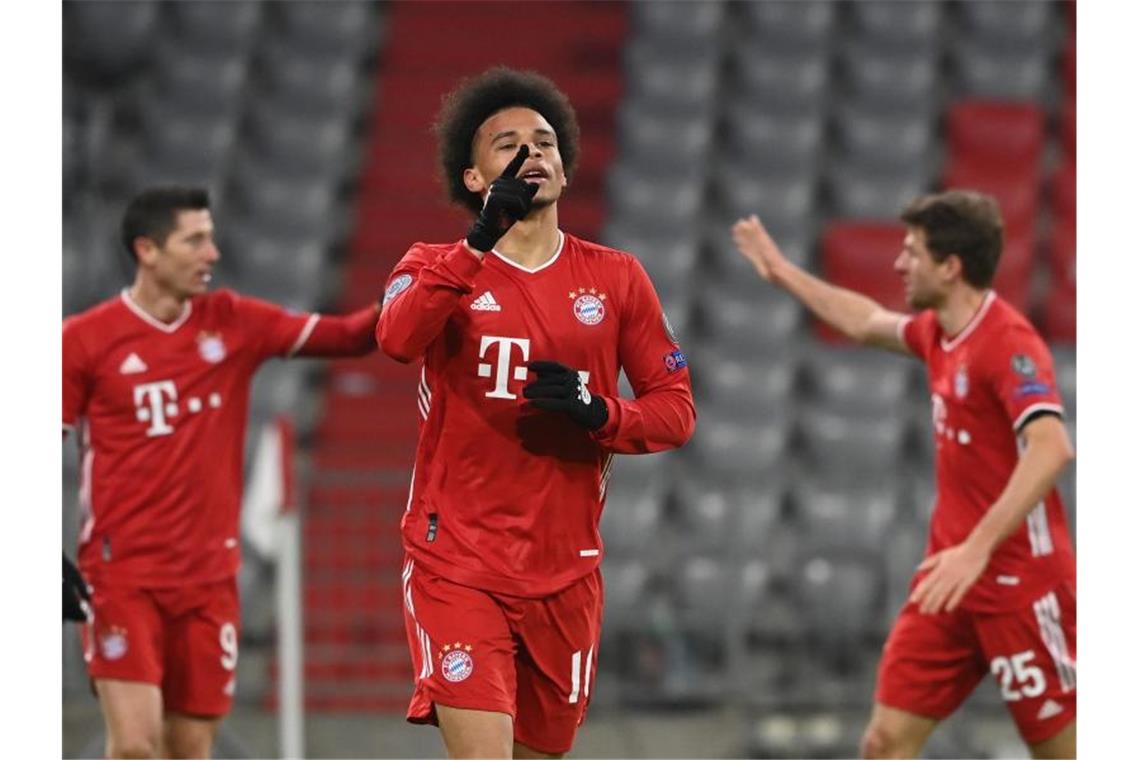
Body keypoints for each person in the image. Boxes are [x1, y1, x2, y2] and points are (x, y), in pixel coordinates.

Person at [377, 67, 696, 759]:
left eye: (546, 141)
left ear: (565, 162)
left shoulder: (616, 277)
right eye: (509, 144)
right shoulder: (433, 264)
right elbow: (397, 337)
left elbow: (675, 411)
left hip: (566, 572)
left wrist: (598, 413)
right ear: (472, 178)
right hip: (456, 561)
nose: (533, 154)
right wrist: (479, 242)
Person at [732, 190, 1076, 759]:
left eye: (912, 252)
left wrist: (978, 550)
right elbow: (865, 320)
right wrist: (784, 273)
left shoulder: (1009, 344)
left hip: (1022, 587)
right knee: (885, 742)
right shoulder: (939, 334)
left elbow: (1051, 447)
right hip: (949, 583)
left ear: (951, 266)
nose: (898, 263)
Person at [62, 186, 380, 759]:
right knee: (135, 746)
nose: (212, 253)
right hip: (121, 576)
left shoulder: (233, 321)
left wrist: (437, 279)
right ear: (148, 251)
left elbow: (352, 335)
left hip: (208, 582)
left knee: (188, 748)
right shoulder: (84, 340)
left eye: (211, 237)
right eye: (195, 240)